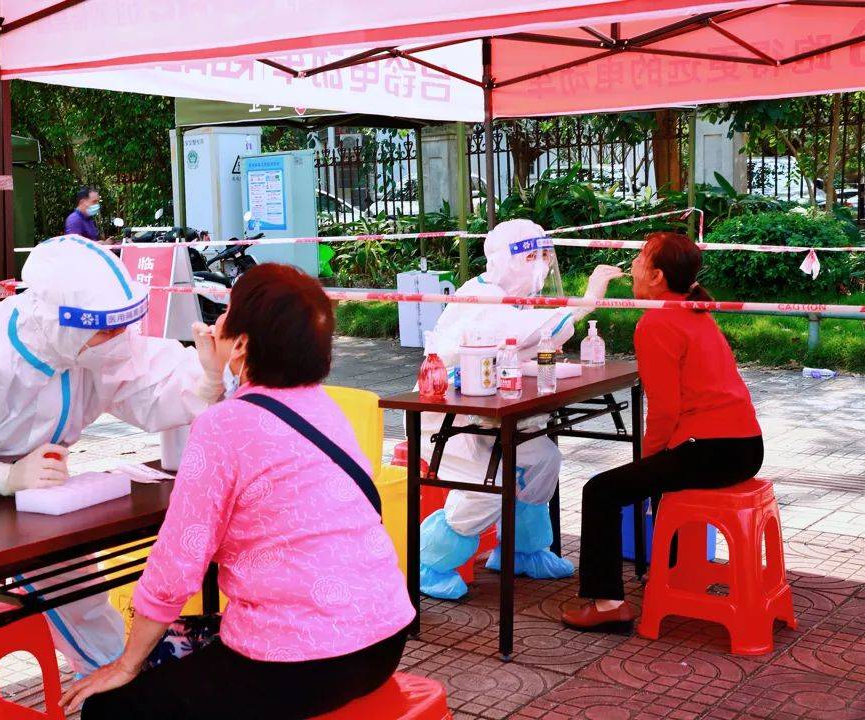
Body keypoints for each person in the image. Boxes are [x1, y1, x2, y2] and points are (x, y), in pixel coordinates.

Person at [0, 234, 225, 720]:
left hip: (33, 507)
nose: (117, 342)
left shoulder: (87, 348)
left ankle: (121, 694)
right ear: (61, 321)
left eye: (122, 329)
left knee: (82, 594)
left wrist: (204, 379)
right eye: (105, 332)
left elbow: (144, 378)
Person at [61, 263, 415, 719]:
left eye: (226, 312)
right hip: (383, 641)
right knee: (180, 645)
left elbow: (177, 563)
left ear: (243, 343)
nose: (215, 322)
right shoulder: (324, 408)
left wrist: (127, 664)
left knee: (111, 707)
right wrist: (218, 377)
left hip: (303, 663)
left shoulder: (224, 425)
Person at [562, 232, 763, 631]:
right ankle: (668, 572)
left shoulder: (656, 321)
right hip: (744, 445)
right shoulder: (694, 310)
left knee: (602, 490)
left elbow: (665, 411)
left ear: (655, 276)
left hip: (713, 448)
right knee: (654, 477)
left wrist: (647, 460)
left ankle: (608, 606)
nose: (633, 263)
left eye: (640, 256)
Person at [417, 219, 624, 600]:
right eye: (536, 257)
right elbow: (529, 329)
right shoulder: (483, 299)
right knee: (487, 491)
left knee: (543, 458)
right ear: (516, 260)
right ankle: (427, 565)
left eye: (545, 256)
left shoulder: (509, 297)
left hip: (490, 409)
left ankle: (521, 551)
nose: (542, 266)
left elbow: (515, 346)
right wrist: (589, 297)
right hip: (449, 416)